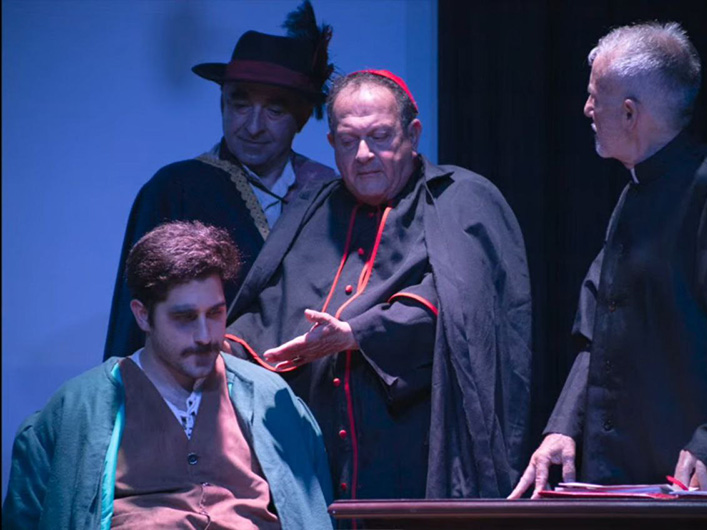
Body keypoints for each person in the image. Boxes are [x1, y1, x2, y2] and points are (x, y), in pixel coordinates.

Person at [509, 21, 707, 499]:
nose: (586, 109)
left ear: (629, 112)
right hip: (623, 481)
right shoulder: (633, 195)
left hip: (697, 489)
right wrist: (563, 426)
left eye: (594, 96)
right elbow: (596, 331)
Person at [224, 70, 534, 501]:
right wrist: (224, 348)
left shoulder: (462, 197)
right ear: (332, 144)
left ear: (413, 134)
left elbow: (464, 308)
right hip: (322, 455)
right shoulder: (313, 208)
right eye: (348, 141)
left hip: (417, 446)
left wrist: (358, 334)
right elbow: (271, 305)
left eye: (380, 136)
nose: (364, 154)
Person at [3, 221, 333, 529]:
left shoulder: (267, 399)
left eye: (215, 313)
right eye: (185, 318)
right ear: (143, 316)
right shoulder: (78, 409)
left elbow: (311, 505)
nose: (205, 335)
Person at [104, 0, 338, 360]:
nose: (253, 126)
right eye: (240, 105)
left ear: (302, 118)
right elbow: (135, 320)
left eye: (275, 110)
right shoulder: (176, 189)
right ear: (222, 105)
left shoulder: (325, 191)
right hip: (206, 380)